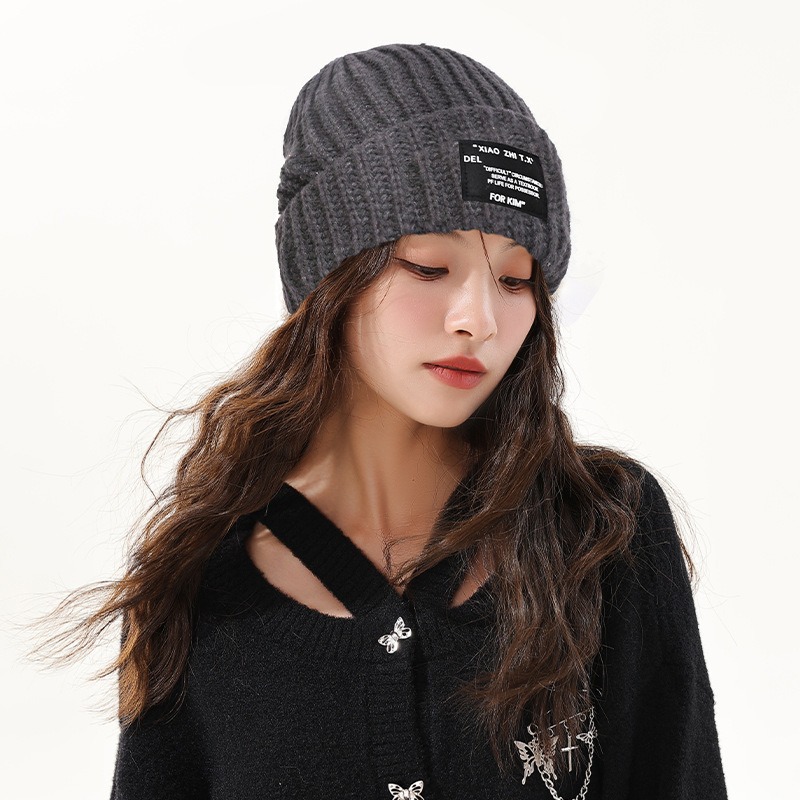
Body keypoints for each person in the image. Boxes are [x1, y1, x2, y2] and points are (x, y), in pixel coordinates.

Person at [44, 43, 727, 799]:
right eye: (428, 266)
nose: (479, 318)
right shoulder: (202, 588)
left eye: (515, 279)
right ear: (328, 280)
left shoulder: (602, 529)